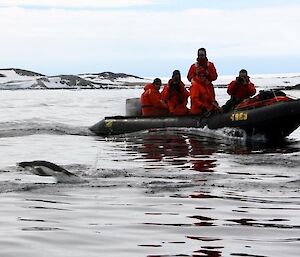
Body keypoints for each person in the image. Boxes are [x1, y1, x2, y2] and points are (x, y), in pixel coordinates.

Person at [187, 48, 220, 115]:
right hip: (199, 87)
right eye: (200, 55)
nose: (201, 56)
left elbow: (214, 77)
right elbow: (189, 77)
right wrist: (195, 75)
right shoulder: (194, 66)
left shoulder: (210, 65)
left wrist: (208, 74)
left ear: (205, 55)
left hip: (208, 87)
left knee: (211, 102)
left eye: (202, 55)